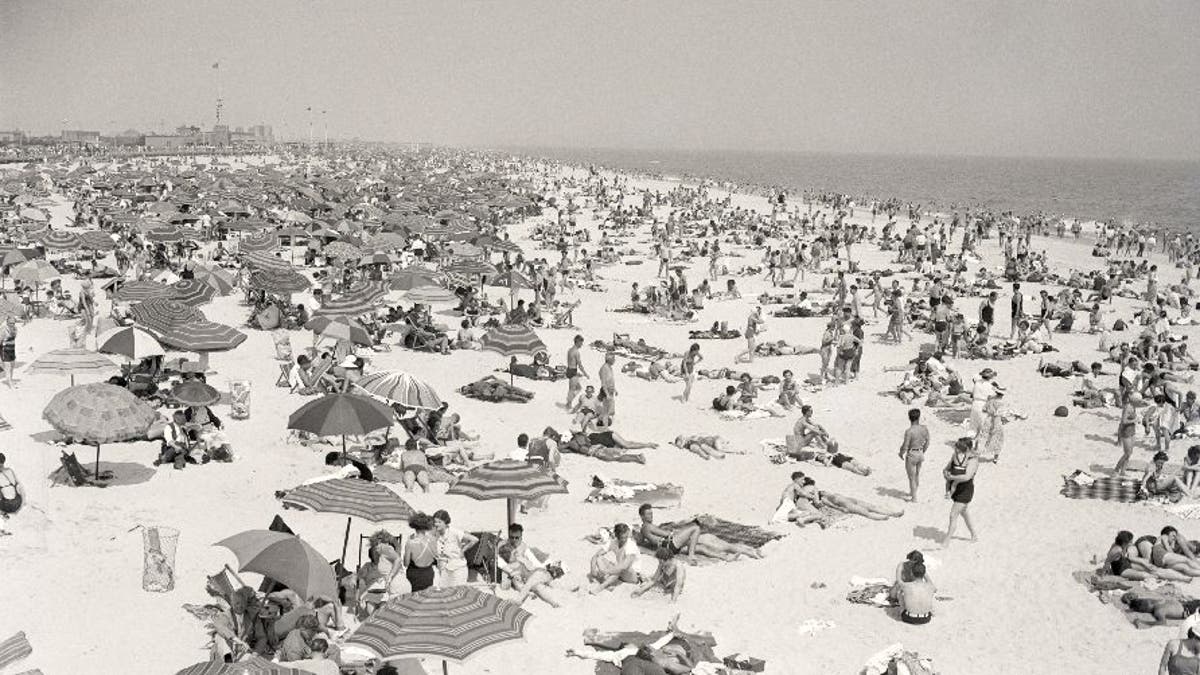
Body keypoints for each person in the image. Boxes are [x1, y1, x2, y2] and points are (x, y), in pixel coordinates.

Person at [638, 503, 762, 561]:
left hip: (671, 548)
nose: (651, 516)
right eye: (648, 514)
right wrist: (679, 532)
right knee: (695, 528)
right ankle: (691, 555)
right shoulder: (647, 526)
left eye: (651, 513)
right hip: (669, 544)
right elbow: (666, 534)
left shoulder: (644, 529)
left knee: (702, 548)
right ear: (642, 516)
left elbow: (642, 541)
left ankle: (725, 557)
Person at [943, 437, 980, 547]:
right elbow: (946, 468)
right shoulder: (955, 456)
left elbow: (967, 477)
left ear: (967, 448)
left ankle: (946, 541)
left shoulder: (973, 460)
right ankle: (974, 535)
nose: (957, 449)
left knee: (953, 515)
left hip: (965, 490)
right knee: (964, 513)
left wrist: (953, 477)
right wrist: (946, 474)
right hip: (956, 489)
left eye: (960, 447)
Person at [589, 523, 641, 594]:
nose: (624, 539)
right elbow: (597, 555)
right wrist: (593, 570)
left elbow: (625, 566)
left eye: (626, 537)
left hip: (633, 576)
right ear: (617, 536)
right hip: (620, 572)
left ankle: (602, 586)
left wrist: (606, 571)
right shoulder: (613, 542)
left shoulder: (631, 545)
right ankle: (607, 582)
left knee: (620, 567)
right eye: (622, 537)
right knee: (599, 558)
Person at [432, 509, 478, 587]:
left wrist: (463, 550)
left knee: (458, 594)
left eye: (439, 522)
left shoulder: (454, 532)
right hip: (445, 570)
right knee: (444, 593)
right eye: (435, 522)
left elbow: (474, 539)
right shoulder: (436, 534)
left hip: (458, 569)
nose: (436, 524)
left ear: (446, 523)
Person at [899, 408, 929, 502]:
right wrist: (923, 451)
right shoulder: (924, 428)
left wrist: (901, 453)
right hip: (920, 452)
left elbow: (905, 445)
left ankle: (914, 497)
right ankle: (913, 492)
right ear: (918, 417)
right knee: (917, 475)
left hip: (912, 454)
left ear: (909, 418)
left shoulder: (909, 431)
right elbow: (927, 442)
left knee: (911, 477)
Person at [403, 513, 438, 592]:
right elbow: (436, 556)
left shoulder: (410, 543)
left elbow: (406, 563)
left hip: (415, 573)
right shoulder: (432, 540)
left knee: (415, 599)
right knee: (426, 597)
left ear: (414, 526)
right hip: (428, 572)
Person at [1115, 397, 1139, 475]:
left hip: (1132, 431)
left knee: (1130, 453)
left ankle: (1123, 471)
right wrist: (1134, 420)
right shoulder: (1128, 408)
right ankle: (1116, 469)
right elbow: (1123, 421)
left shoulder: (1133, 406)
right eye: (1139, 401)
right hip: (1126, 432)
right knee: (1127, 453)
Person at [565, 334, 588, 409]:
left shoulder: (570, 350)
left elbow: (570, 361)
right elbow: (580, 365)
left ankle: (569, 401)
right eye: (581, 343)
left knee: (578, 388)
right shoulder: (576, 352)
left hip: (569, 370)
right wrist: (585, 374)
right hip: (572, 371)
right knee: (573, 389)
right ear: (577, 342)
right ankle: (569, 403)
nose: (582, 344)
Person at [0, 452, 24, 520]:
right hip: (18, 503)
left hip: (7, 506)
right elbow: (19, 487)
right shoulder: (10, 470)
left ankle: (2, 513)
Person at [0, 315, 17, 388]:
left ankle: (11, 380)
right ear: (7, 322)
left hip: (12, 349)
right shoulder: (3, 329)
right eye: (10, 323)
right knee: (8, 367)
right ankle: (10, 384)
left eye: (13, 323)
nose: (12, 324)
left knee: (12, 366)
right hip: (5, 350)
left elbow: (14, 339)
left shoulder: (15, 329)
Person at [599, 352, 617, 417]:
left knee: (611, 411)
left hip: (611, 391)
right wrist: (607, 394)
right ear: (609, 359)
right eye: (613, 358)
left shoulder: (610, 367)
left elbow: (611, 380)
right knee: (606, 411)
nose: (614, 360)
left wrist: (615, 389)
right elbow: (603, 383)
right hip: (607, 392)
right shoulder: (604, 368)